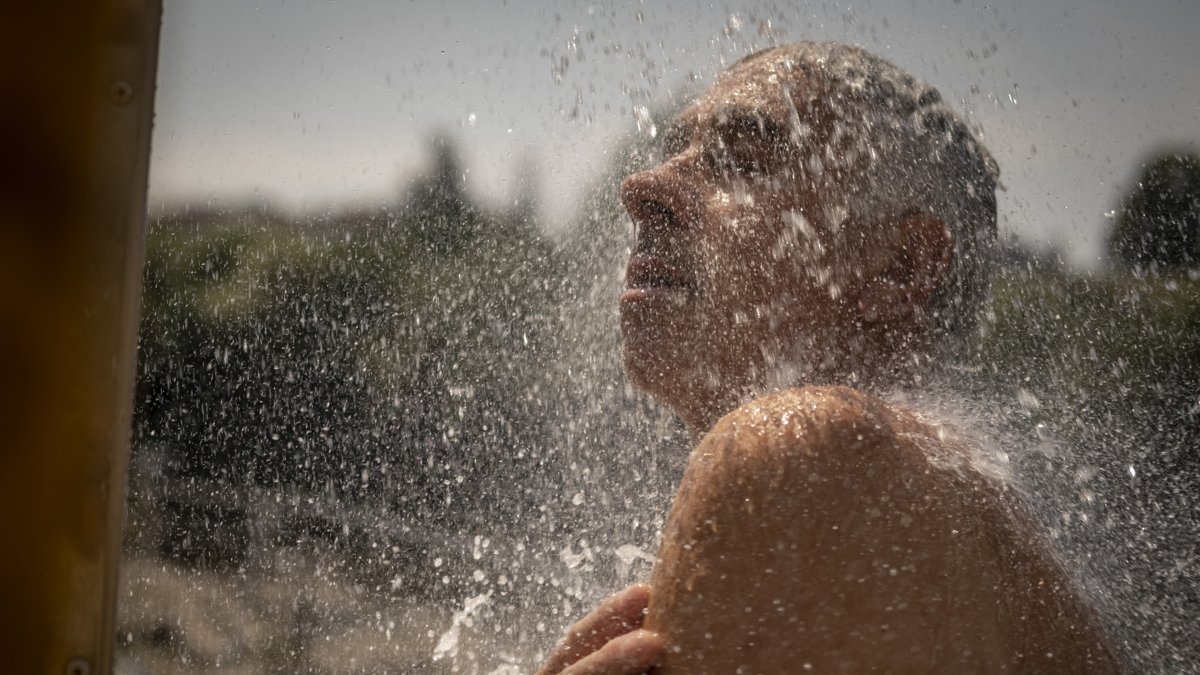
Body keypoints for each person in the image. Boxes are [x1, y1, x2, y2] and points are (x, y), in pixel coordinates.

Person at [537, 42, 1122, 674]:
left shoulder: (812, 449)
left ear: (899, 265)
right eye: (674, 150)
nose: (642, 186)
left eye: (741, 160)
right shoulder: (950, 515)